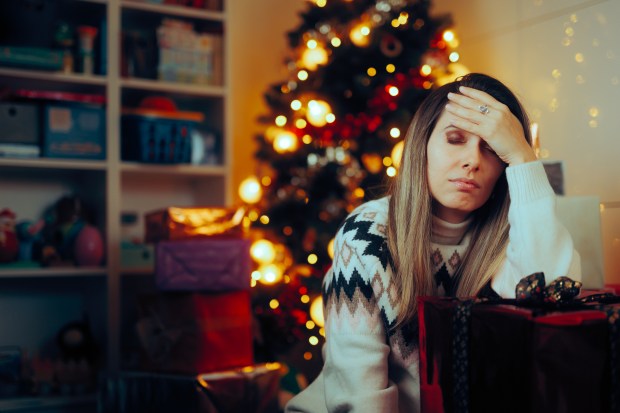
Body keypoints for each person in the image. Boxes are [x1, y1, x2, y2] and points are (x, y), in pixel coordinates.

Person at [285, 73, 581, 413]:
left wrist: (524, 158)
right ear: (422, 145)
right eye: (456, 139)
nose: (473, 160)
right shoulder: (367, 235)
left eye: (493, 148)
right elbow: (359, 398)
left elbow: (553, 293)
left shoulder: (514, 240)